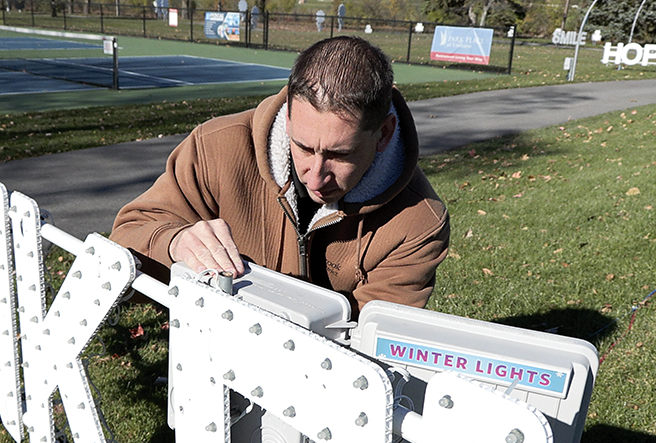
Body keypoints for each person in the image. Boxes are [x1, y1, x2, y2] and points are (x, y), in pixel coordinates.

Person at [110, 36, 449, 318]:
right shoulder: (214, 148)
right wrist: (174, 242)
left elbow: (373, 344)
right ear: (288, 116)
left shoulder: (418, 221)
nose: (316, 177)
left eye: (339, 155)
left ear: (385, 133)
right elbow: (121, 249)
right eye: (303, 147)